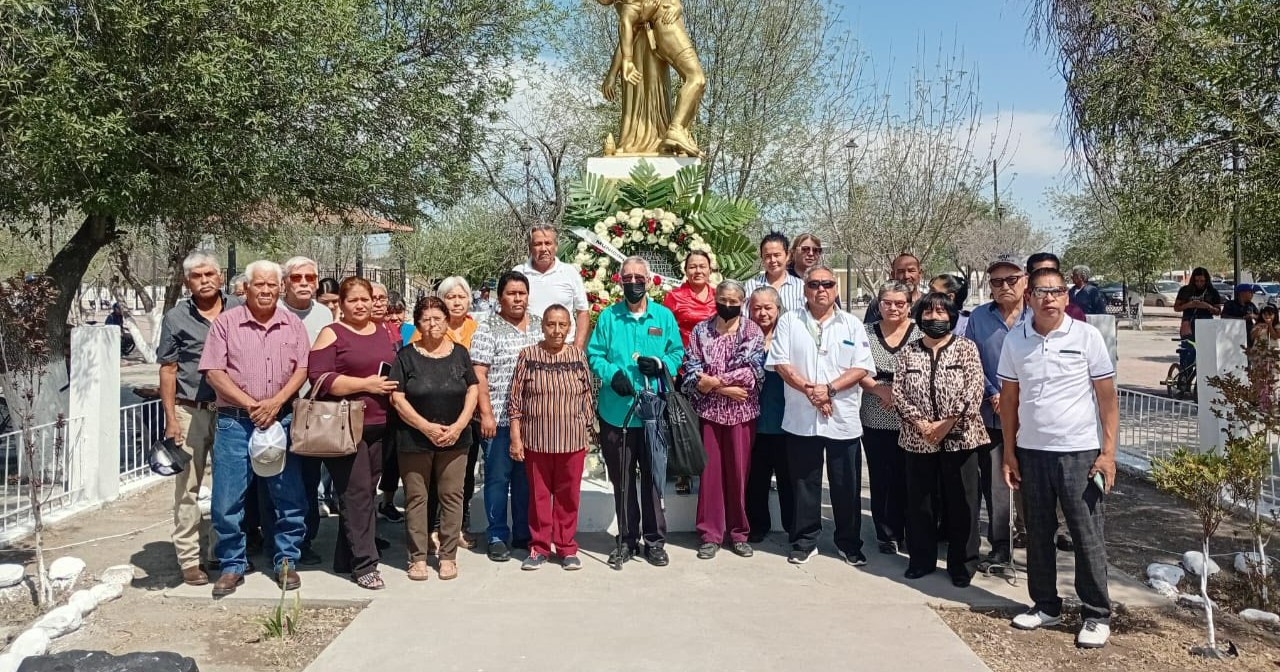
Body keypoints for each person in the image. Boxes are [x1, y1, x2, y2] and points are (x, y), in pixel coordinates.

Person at [1000, 267, 1119, 649]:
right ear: (1029, 296)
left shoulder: (1086, 336)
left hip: (1079, 453)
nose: (1048, 298)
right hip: (1032, 452)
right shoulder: (1015, 341)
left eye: (1056, 291)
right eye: (1040, 291)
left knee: (1086, 536)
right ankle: (1045, 606)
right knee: (1037, 533)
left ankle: (1096, 614)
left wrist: (1108, 453)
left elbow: (1107, 397)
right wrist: (1009, 452)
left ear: (1067, 297)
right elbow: (1009, 402)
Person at [198, 260, 310, 598]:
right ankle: (232, 563)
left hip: (282, 418)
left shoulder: (292, 324)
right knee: (227, 498)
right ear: (246, 288)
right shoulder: (226, 324)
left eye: (271, 285)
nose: (265, 290)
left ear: (281, 288)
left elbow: (302, 369)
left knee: (288, 495)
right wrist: (251, 404)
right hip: (235, 420)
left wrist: (276, 403)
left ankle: (286, 558)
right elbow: (214, 372)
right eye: (258, 285)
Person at [767, 265, 876, 566]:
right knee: (804, 483)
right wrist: (811, 391)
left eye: (827, 283)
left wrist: (828, 389)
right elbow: (781, 364)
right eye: (814, 284)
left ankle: (849, 543)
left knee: (846, 485)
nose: (821, 289)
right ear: (805, 289)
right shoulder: (790, 321)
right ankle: (804, 541)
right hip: (802, 418)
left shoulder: (852, 324)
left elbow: (861, 367)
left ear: (836, 289)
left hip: (843, 420)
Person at [587, 256, 684, 567]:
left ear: (649, 280)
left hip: (653, 413)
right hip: (617, 412)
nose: (633, 283)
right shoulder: (608, 317)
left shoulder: (664, 316)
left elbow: (677, 351)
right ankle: (627, 538)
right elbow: (594, 353)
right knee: (623, 479)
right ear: (619, 281)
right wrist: (611, 374)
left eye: (638, 277)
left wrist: (661, 366)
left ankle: (655, 541)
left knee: (653, 479)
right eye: (627, 278)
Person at [306, 277, 398, 589]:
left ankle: (346, 557)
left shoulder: (382, 330)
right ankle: (365, 565)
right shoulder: (332, 333)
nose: (360, 305)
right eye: (353, 300)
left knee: (364, 494)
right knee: (356, 494)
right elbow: (319, 378)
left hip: (380, 424)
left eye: (365, 299)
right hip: (345, 426)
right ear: (341, 304)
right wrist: (365, 385)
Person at [894, 292, 988, 587]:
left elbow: (974, 390)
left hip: (961, 436)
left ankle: (962, 564)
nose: (934, 318)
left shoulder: (965, 348)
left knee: (962, 501)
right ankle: (921, 560)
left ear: (951, 316)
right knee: (921, 503)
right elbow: (898, 393)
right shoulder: (909, 352)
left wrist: (946, 424)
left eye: (941, 312)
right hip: (917, 437)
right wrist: (922, 424)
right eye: (928, 313)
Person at [158, 251, 238, 586]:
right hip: (190, 410)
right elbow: (168, 369)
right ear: (187, 280)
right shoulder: (176, 318)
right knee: (188, 487)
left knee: (228, 487)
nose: (204, 280)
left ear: (220, 276)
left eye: (209, 274)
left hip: (231, 410)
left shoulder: (239, 309)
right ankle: (190, 559)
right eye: (196, 276)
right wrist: (171, 418)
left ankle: (221, 550)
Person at [389, 296, 479, 581]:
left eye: (437, 318)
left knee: (452, 496)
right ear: (417, 323)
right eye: (426, 319)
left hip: (456, 438)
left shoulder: (460, 353)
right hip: (414, 440)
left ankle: (448, 556)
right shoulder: (406, 356)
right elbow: (397, 397)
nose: (432, 324)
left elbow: (472, 390)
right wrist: (425, 426)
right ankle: (416, 557)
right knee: (417, 497)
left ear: (446, 321)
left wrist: (459, 425)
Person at [680, 279, 765, 559]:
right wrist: (722, 387)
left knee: (740, 475)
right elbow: (691, 367)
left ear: (742, 303)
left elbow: (751, 372)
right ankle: (710, 534)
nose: (728, 305)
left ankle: (739, 533)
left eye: (734, 301)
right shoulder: (701, 330)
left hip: (742, 414)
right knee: (711, 476)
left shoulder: (751, 331)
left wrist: (714, 382)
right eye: (723, 300)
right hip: (709, 414)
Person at [508, 305, 594, 570]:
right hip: (537, 439)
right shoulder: (528, 355)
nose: (556, 331)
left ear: (569, 327)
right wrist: (515, 437)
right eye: (551, 325)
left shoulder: (577, 356)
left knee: (569, 497)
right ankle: (539, 548)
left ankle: (567, 547)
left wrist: (588, 433)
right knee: (539, 497)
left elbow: (587, 396)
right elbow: (515, 400)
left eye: (562, 325)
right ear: (542, 326)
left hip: (572, 439)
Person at [471, 271, 544, 562]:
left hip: (533, 421)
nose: (517, 299)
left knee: (526, 480)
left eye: (522, 293)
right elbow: (479, 374)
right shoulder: (488, 328)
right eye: (511, 293)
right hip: (498, 419)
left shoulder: (539, 325)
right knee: (498, 479)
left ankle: (524, 533)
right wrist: (486, 414)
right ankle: (497, 534)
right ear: (500, 297)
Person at [965, 254, 1031, 569]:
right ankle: (1000, 547)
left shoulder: (1038, 317)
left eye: (1011, 279)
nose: (1003, 286)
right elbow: (970, 360)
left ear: (1026, 281)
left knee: (1034, 486)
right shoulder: (978, 317)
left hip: (1032, 418)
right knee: (997, 484)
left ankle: (1036, 543)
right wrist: (993, 393)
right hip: (990, 416)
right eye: (996, 281)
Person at [857, 281, 920, 555]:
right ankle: (887, 533)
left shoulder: (921, 331)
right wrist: (879, 390)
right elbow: (855, 367)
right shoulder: (864, 332)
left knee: (911, 477)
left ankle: (912, 530)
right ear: (878, 304)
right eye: (887, 303)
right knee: (881, 476)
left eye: (899, 303)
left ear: (909, 304)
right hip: (875, 411)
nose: (893, 308)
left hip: (913, 415)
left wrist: (900, 395)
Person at [279, 256, 334, 566]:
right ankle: (274, 539)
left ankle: (305, 540)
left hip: (312, 412)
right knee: (278, 480)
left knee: (308, 480)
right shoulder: (274, 311)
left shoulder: (324, 313)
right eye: (297, 278)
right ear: (285, 281)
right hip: (278, 409)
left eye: (309, 278)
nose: (303, 283)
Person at [744, 286, 793, 542]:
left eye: (768, 307)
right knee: (756, 481)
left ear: (778, 309)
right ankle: (757, 527)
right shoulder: (743, 338)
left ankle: (794, 528)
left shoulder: (789, 337)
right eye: (756, 308)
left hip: (786, 422)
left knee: (789, 480)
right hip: (754, 421)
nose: (762, 313)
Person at [436, 276, 481, 547]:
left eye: (461, 296)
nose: (456, 301)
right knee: (435, 474)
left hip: (470, 412)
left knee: (464, 472)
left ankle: (459, 526)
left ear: (469, 300)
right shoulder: (431, 327)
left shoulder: (478, 328)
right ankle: (435, 527)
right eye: (450, 297)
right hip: (436, 411)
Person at [514, 223, 592, 349]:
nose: (543, 248)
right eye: (538, 244)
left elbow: (582, 312)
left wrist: (577, 348)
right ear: (530, 247)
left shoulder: (569, 272)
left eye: (548, 243)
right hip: (528, 349)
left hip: (564, 350)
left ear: (556, 246)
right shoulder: (519, 273)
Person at [369, 280, 405, 525]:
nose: (379, 303)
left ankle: (385, 505)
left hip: (394, 409)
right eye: (374, 298)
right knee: (366, 475)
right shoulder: (355, 329)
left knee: (391, 461)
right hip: (367, 411)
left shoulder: (394, 329)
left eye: (383, 298)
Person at [663, 250, 717, 349]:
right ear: (686, 271)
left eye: (702, 266)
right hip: (684, 357)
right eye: (692, 267)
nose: (698, 271)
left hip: (715, 356)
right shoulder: (674, 297)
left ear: (710, 271)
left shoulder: (719, 296)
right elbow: (663, 330)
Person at [744, 231, 805, 313]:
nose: (773, 260)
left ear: (788, 256)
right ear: (762, 258)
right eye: (767, 256)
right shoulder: (751, 285)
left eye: (777, 255)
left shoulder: (800, 286)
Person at [864, 253, 923, 324]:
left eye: (911, 271)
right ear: (892, 275)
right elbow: (868, 332)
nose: (906, 276)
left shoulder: (929, 303)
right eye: (901, 272)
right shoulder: (878, 303)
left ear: (920, 274)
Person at [1026, 252, 1085, 321]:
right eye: (1039, 273)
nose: (1047, 276)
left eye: (1052, 271)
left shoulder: (1073, 313)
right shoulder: (1016, 310)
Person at [1173, 267, 1222, 338]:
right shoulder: (1185, 290)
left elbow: (1218, 312)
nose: (1199, 283)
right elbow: (1176, 308)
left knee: (1205, 346)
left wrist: (1208, 306)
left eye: (1202, 281)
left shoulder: (1212, 292)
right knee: (1188, 346)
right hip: (1188, 322)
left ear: (1206, 280)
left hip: (1206, 322)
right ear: (1193, 280)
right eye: (1196, 281)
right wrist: (1188, 305)